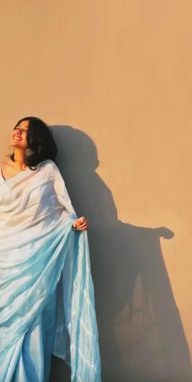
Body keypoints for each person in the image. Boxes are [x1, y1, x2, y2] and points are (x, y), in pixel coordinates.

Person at [0, 117, 101, 382]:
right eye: (18, 127)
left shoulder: (46, 171)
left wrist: (75, 225)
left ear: (37, 140)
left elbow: (62, 214)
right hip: (4, 263)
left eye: (26, 130)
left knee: (32, 331)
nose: (18, 132)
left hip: (37, 266)